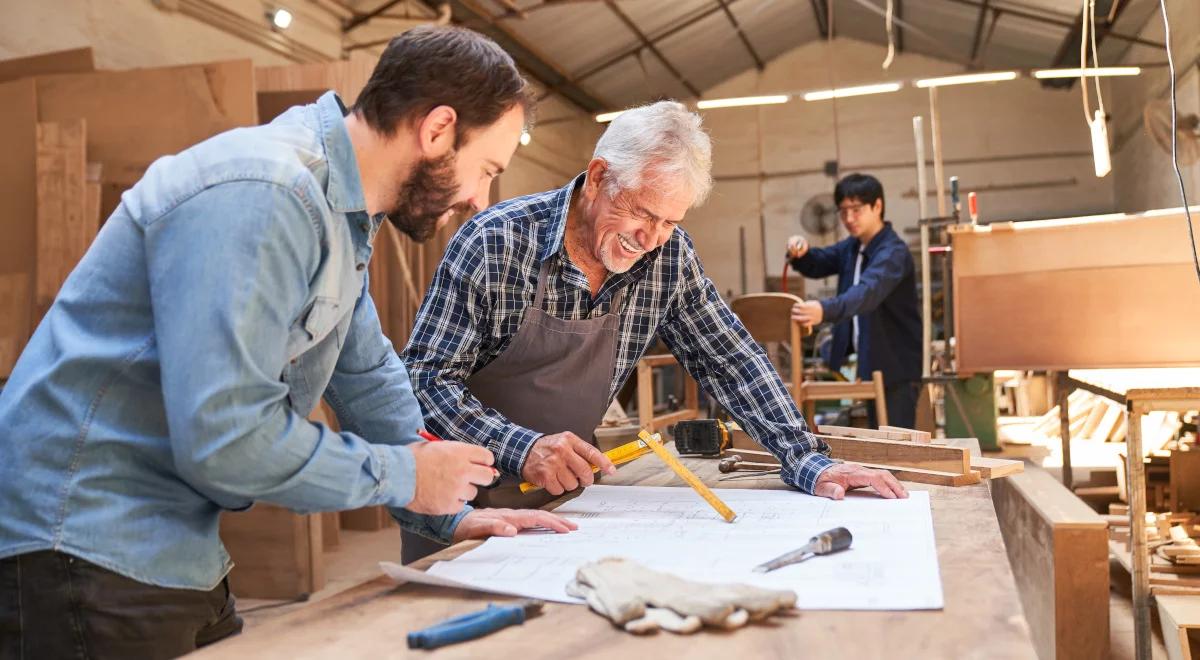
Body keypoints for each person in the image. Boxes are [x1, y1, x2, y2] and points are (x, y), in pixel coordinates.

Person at [0, 26, 575, 658]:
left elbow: (366, 375)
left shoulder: (341, 211)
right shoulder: (266, 192)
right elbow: (227, 436)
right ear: (437, 129)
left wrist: (447, 510)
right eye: (486, 169)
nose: (477, 200)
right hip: (78, 542)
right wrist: (404, 474)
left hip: (173, 546)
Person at [399, 101, 906, 561]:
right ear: (597, 178)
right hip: (456, 503)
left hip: (566, 502)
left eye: (669, 221)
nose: (650, 238)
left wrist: (804, 458)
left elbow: (730, 359)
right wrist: (522, 448)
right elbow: (425, 380)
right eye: (642, 213)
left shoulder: (668, 255)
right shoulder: (497, 242)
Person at [786, 173, 923, 428]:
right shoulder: (853, 247)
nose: (849, 219)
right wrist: (801, 252)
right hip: (871, 365)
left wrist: (823, 310)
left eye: (857, 210)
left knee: (897, 446)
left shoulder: (893, 253)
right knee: (877, 441)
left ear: (877, 206)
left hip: (896, 368)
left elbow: (865, 294)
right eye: (843, 211)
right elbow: (819, 261)